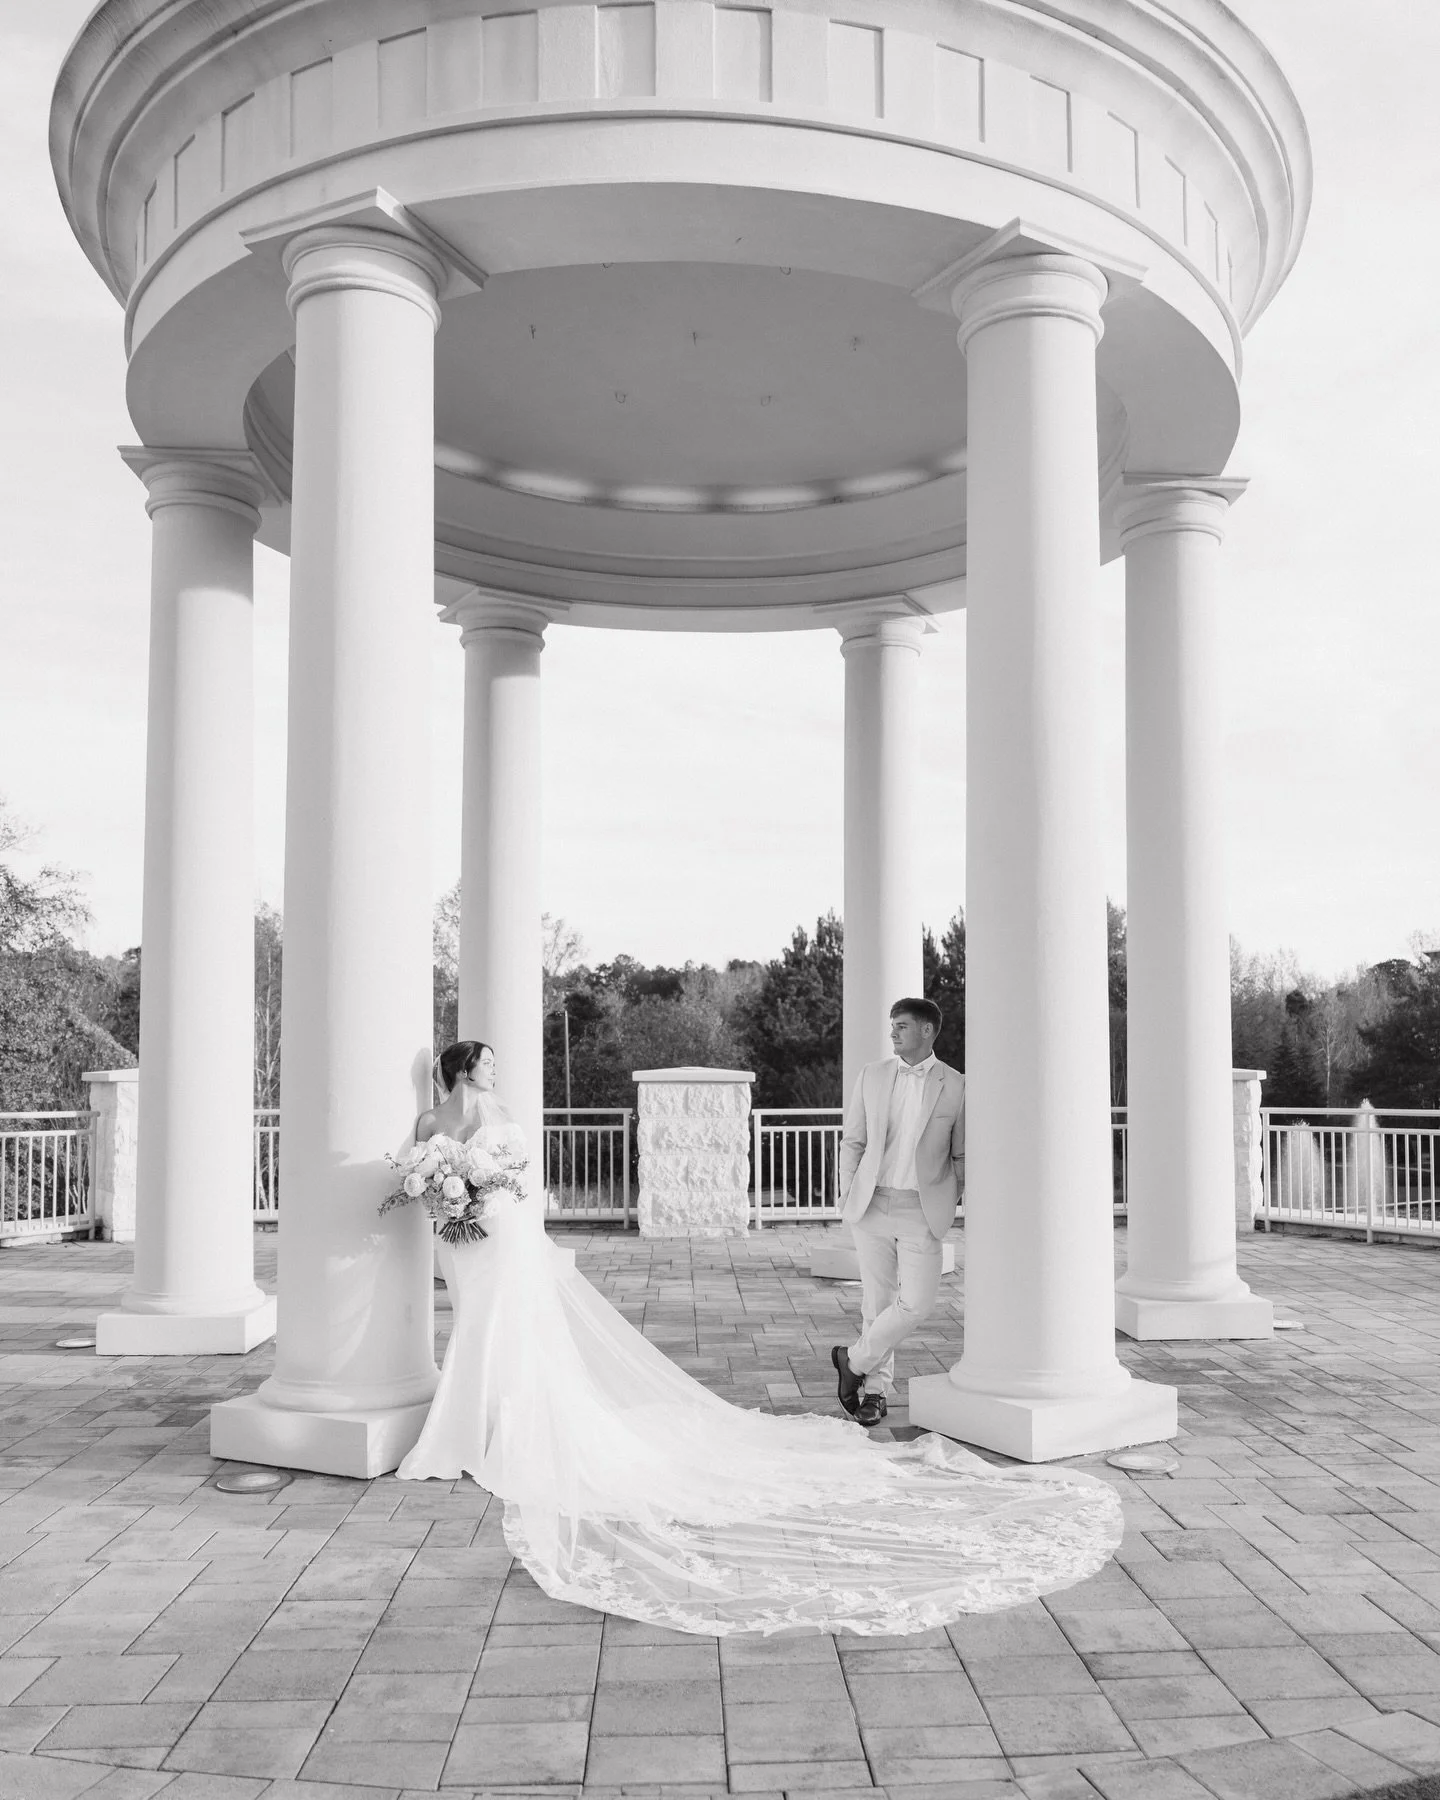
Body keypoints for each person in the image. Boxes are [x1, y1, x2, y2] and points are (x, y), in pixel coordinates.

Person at [397, 1039, 1121, 1637]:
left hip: (502, 1238)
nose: (495, 1071)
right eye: (487, 1063)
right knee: (481, 1324)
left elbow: (519, 1176)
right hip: (467, 1239)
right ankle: (480, 1421)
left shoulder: (501, 1114)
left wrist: (481, 1192)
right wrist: (449, 1194)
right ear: (463, 1070)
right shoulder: (431, 1118)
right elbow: (421, 1173)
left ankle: (492, 1423)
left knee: (504, 1326)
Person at [832, 998, 965, 1427]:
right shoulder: (872, 1075)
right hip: (871, 1204)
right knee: (877, 1303)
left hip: (921, 1210)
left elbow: (960, 1154)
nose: (893, 1032)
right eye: (892, 1025)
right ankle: (875, 1392)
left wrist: (952, 1198)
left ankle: (852, 1361)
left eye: (902, 1025)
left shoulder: (956, 1084)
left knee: (915, 1305)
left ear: (927, 1030)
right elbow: (853, 1140)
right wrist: (846, 1192)